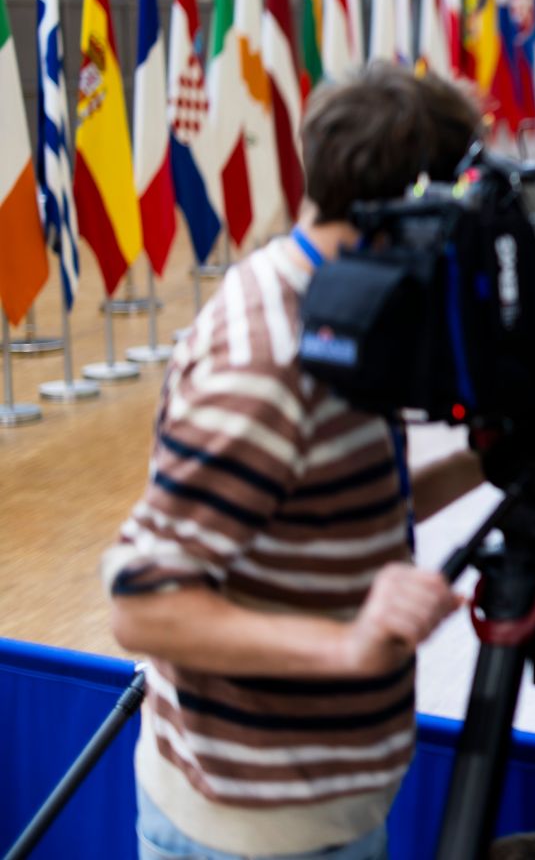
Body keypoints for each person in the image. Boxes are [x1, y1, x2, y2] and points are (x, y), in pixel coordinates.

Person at [103, 64, 488, 860]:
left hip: (322, 807)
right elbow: (142, 604)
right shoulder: (265, 363)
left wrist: (488, 460)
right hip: (250, 833)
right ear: (409, 216)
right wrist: (346, 646)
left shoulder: (344, 308)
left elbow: (326, 511)